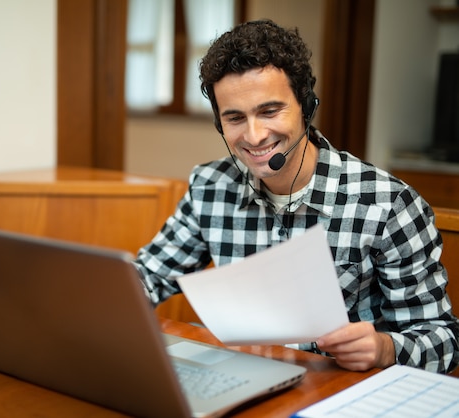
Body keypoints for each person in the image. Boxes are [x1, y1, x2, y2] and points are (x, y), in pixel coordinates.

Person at [132, 19, 459, 374]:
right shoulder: (210, 187)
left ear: (306, 106)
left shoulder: (388, 205)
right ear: (219, 124)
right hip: (244, 379)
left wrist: (385, 348)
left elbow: (444, 337)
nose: (255, 136)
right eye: (235, 118)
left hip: (337, 391)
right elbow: (148, 275)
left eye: (270, 111)